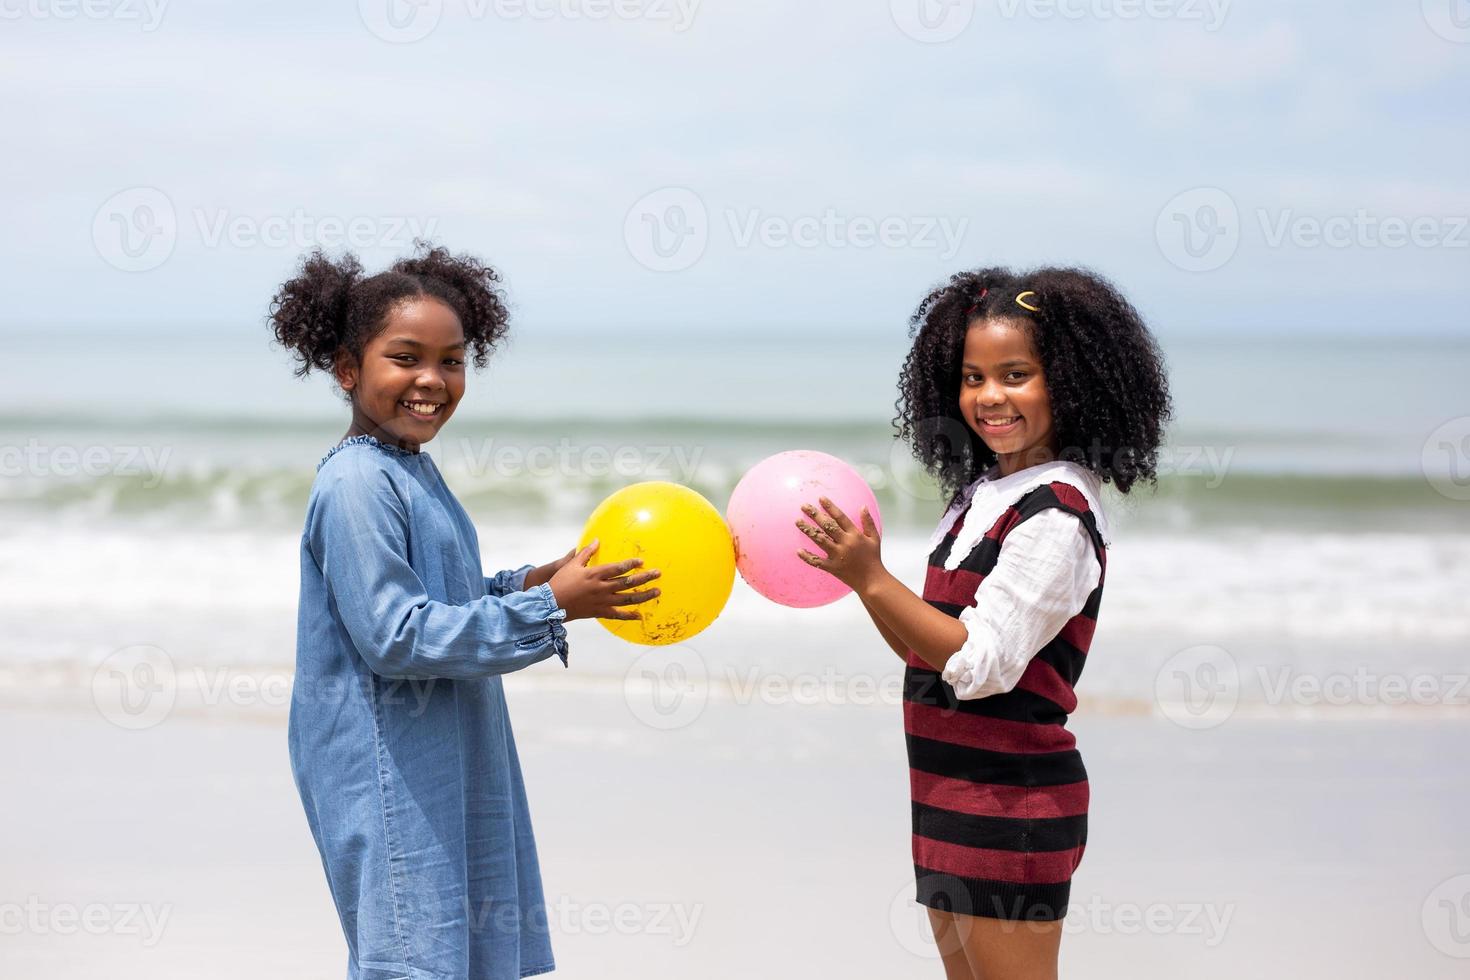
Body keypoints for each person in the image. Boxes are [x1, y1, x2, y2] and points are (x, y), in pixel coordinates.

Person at [269, 242, 661, 979]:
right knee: (414, 958)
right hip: (391, 772)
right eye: (406, 358)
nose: (432, 381)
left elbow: (443, 597)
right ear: (348, 369)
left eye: (452, 361)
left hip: (446, 756)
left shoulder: (408, 468)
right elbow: (396, 634)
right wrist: (551, 610)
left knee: (462, 953)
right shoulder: (356, 482)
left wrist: (528, 584)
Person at [795, 267, 1171, 980]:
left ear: (1070, 380)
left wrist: (874, 577)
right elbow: (926, 648)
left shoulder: (1056, 513)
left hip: (1013, 802)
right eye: (972, 377)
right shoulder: (982, 497)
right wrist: (863, 582)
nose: (990, 396)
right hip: (946, 792)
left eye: (1016, 374)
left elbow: (981, 665)